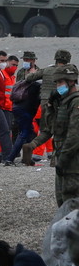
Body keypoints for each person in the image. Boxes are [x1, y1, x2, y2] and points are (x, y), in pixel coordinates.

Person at [22, 49, 71, 161]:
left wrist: (29, 71)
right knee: (62, 130)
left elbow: (29, 78)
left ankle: (31, 146)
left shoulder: (47, 70)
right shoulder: (67, 71)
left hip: (44, 104)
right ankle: (56, 156)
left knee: (46, 131)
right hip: (59, 104)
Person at [51, 64, 79, 206]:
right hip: (63, 160)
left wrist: (63, 160)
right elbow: (51, 128)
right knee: (62, 201)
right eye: (56, 83)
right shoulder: (64, 103)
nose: (58, 86)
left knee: (71, 203)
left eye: (60, 82)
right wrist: (51, 106)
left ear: (71, 81)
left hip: (73, 163)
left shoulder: (76, 102)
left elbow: (74, 135)